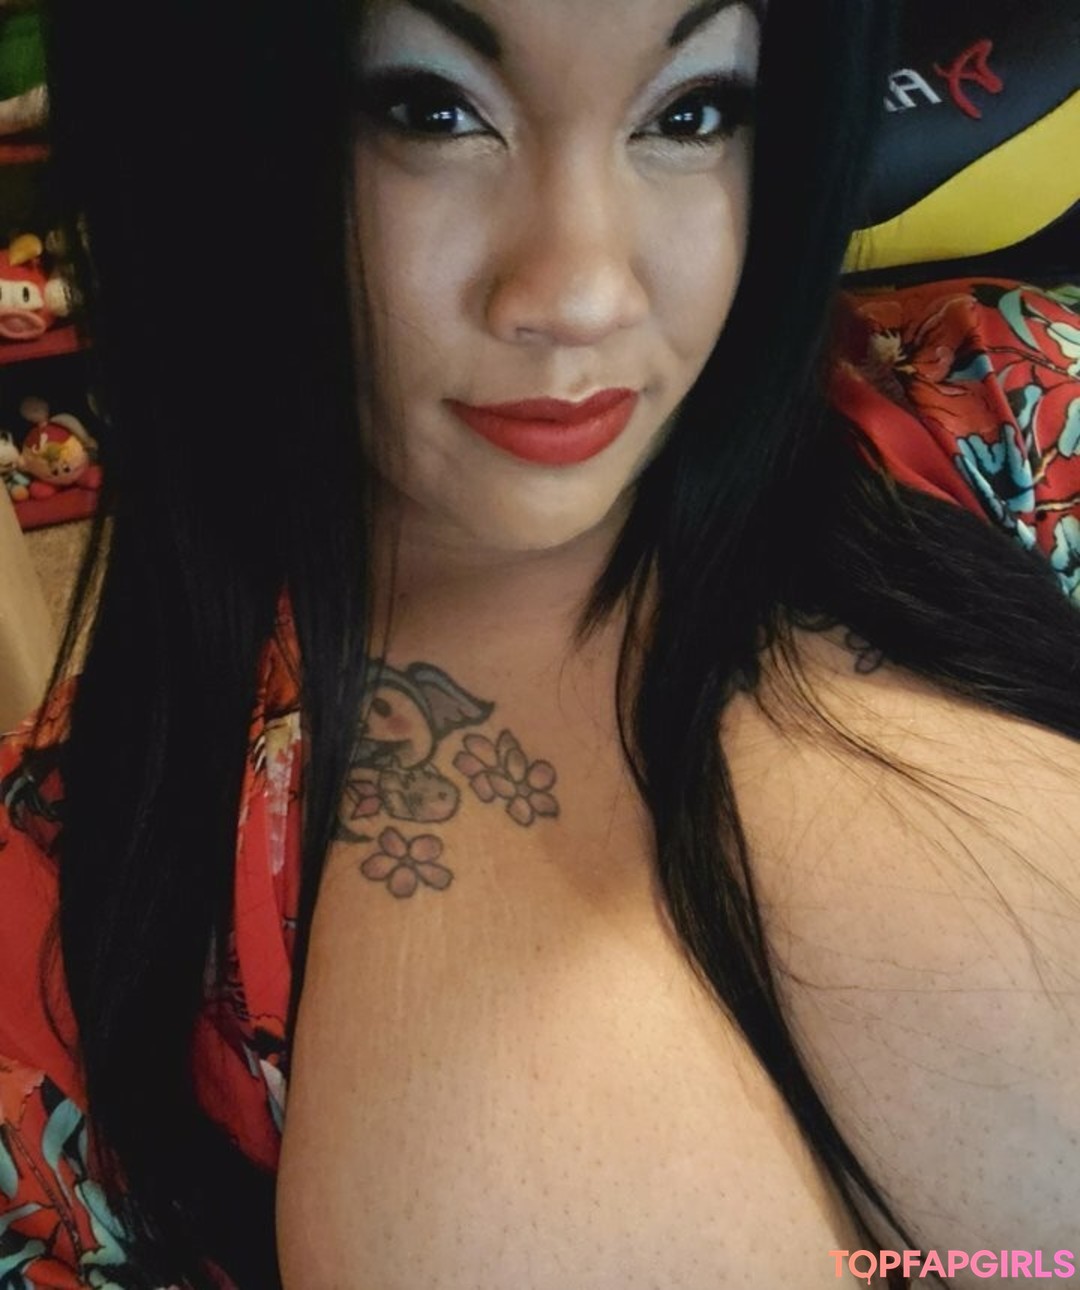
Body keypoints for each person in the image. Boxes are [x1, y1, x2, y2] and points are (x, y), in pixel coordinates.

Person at [1, 0, 1078, 1286]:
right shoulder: (72, 943)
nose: (582, 295)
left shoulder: (1013, 422)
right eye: (428, 109)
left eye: (693, 111)